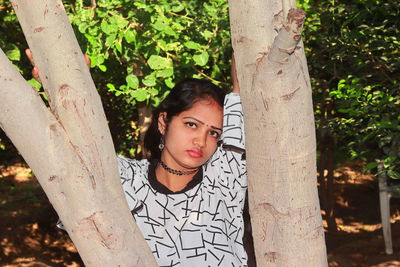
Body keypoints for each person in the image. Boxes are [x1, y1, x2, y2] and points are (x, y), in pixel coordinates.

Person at [27, 50, 247, 266]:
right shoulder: (124, 177)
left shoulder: (224, 178)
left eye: (213, 133)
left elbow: (241, 84)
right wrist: (65, 85)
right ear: (163, 122)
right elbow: (73, 155)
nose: (201, 140)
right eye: (191, 124)